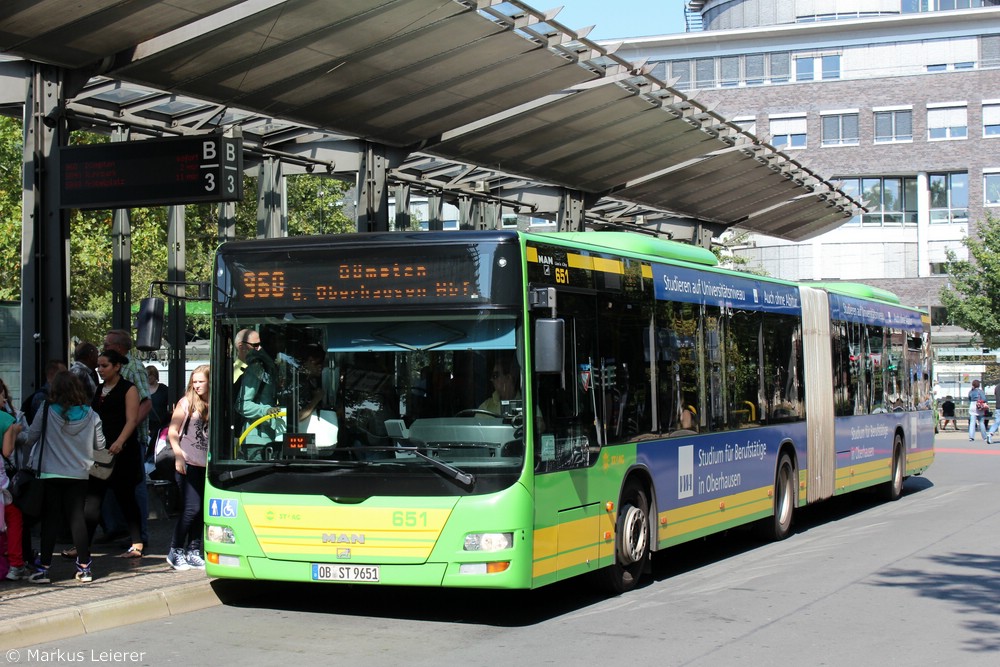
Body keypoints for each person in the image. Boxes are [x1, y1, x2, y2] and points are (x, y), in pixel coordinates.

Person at [20, 371, 106, 584]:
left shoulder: (47, 409)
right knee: (77, 518)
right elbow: (101, 446)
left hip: (50, 472)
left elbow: (32, 437)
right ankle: (85, 568)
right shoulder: (91, 414)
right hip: (79, 474)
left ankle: (44, 569)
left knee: (51, 520)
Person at [86, 348, 144, 559]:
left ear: (117, 366)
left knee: (125, 496)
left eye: (104, 366)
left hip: (122, 452)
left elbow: (132, 419)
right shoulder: (99, 389)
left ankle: (137, 542)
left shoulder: (129, 389)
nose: (100, 370)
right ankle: (83, 545)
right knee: (93, 500)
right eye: (98, 366)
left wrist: (120, 441)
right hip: (100, 452)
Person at [102, 330, 151, 547]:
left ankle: (140, 534)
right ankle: (118, 529)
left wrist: (126, 432)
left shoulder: (134, 368)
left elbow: (146, 402)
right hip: (111, 440)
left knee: (135, 485)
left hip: (129, 440)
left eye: (107, 344)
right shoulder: (109, 370)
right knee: (109, 484)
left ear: (119, 348)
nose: (103, 347)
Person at [166, 365, 209, 571]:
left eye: (201, 381)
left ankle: (193, 550)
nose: (197, 385)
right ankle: (175, 550)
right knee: (192, 508)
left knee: (202, 510)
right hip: (187, 461)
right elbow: (173, 430)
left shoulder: (213, 403)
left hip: (206, 464)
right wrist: (178, 455)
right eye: (195, 381)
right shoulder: (186, 403)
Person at [236, 329, 281, 460]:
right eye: (256, 345)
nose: (259, 348)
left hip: (269, 435)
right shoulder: (257, 368)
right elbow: (241, 404)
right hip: (256, 438)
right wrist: (266, 410)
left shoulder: (270, 367)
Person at [1, 382, 26, 580]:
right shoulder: (6, 419)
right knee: (13, 517)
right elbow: (8, 452)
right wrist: (15, 431)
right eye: (1, 396)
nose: (4, 399)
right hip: (1, 478)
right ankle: (15, 564)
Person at [21, 359, 68, 426]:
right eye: (63, 374)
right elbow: (43, 423)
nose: (67, 377)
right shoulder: (41, 396)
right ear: (51, 374)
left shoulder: (60, 394)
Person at [146, 365, 170, 456]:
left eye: (150, 375)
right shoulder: (142, 390)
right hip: (147, 424)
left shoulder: (164, 389)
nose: (149, 377)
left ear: (156, 376)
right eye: (147, 375)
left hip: (160, 424)